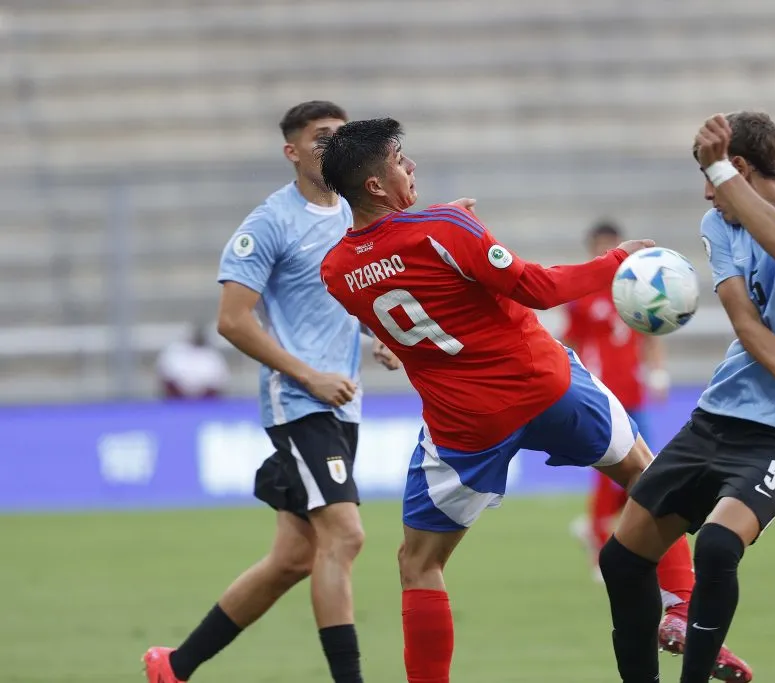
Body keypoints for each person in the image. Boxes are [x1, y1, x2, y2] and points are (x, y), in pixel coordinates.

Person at [317, 117, 662, 683]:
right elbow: (539, 288)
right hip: (542, 385)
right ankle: (685, 609)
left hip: (465, 425)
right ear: (376, 185)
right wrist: (615, 261)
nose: (411, 167)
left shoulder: (336, 270)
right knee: (647, 479)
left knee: (419, 564)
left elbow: (410, 288)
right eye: (400, 159)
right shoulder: (447, 225)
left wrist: (439, 231)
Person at [599, 111, 775, 683]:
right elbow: (743, 317)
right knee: (621, 561)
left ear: (737, 167)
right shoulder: (719, 225)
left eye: (708, 175)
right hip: (716, 415)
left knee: (718, 546)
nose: (705, 190)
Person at [143, 101, 400, 683]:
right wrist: (306, 375)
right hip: (301, 402)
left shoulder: (351, 215)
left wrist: (379, 336)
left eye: (340, 135)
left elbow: (341, 298)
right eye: (320, 137)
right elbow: (233, 321)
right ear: (293, 151)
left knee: (292, 559)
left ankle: (173, 667)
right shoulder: (270, 224)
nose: (331, 145)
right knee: (346, 533)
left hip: (342, 401)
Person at [563, 222, 751, 678]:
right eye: (600, 247)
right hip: (600, 394)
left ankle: (668, 597)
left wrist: (658, 372)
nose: (607, 252)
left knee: (646, 476)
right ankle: (669, 597)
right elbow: (570, 337)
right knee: (640, 479)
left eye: (612, 245)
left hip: (633, 394)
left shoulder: (637, 285)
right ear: (593, 249)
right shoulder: (587, 295)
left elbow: (647, 335)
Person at [155, 322, 230, 399]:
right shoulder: (175, 351)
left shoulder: (213, 355)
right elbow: (166, 376)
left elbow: (219, 382)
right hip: (177, 400)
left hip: (205, 403)